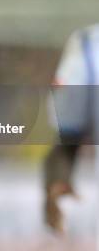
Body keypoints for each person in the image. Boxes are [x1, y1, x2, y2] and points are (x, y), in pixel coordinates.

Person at [44, 24, 99, 235]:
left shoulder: (89, 44)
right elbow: (68, 131)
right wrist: (58, 180)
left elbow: (68, 129)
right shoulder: (88, 44)